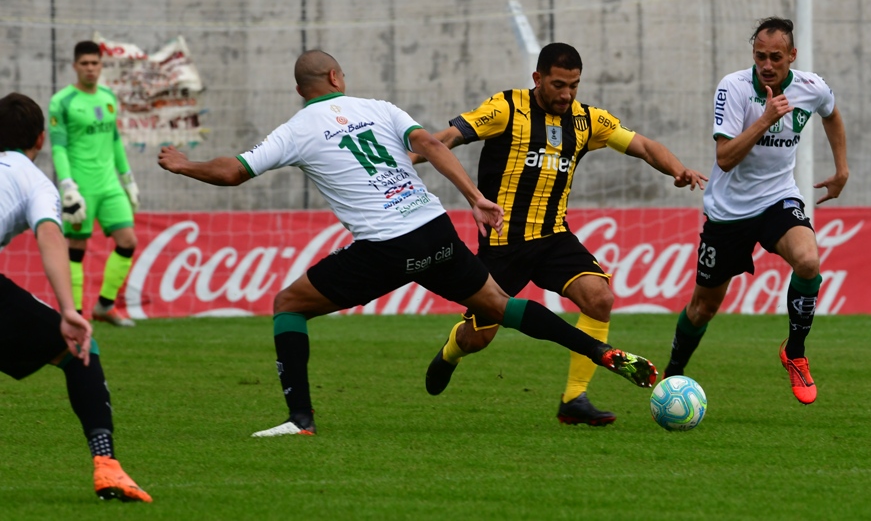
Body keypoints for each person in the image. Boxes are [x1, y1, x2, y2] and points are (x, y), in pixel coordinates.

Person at [157, 49, 657, 437]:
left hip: (384, 249)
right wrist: (475, 198)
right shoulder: (378, 108)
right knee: (502, 307)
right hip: (434, 228)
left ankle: (300, 420)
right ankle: (601, 352)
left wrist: (185, 165)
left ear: (300, 90)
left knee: (288, 305)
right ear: (336, 77)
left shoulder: (296, 129)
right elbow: (434, 145)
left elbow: (234, 172)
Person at [414, 42, 707, 426]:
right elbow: (448, 138)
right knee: (477, 338)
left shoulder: (587, 120)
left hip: (553, 238)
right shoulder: (506, 108)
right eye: (558, 85)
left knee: (599, 298)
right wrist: (407, 159)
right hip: (503, 244)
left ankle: (574, 399)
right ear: (537, 78)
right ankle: (451, 352)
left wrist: (677, 169)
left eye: (574, 85)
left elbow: (644, 147)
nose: (567, 94)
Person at [662, 17, 849, 404]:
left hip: (778, 199)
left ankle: (795, 352)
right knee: (703, 308)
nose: (766, 64)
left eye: (775, 57)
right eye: (760, 56)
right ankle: (673, 374)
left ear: (792, 56)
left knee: (808, 261)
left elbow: (831, 113)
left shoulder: (811, 87)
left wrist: (841, 170)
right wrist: (765, 119)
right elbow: (725, 158)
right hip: (728, 212)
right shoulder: (733, 88)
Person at [0, 93, 151, 502]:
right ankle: (107, 466)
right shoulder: (33, 180)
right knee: (78, 349)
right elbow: (50, 234)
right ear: (41, 139)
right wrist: (69, 310)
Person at [48, 40, 141, 327]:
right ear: (75, 66)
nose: (90, 68)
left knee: (128, 241)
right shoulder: (62, 101)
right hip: (80, 186)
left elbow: (115, 140)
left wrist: (128, 179)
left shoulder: (108, 97)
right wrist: (67, 184)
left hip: (110, 184)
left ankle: (105, 305)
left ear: (101, 66)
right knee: (76, 247)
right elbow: (58, 147)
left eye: (94, 63)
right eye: (84, 63)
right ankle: (75, 315)